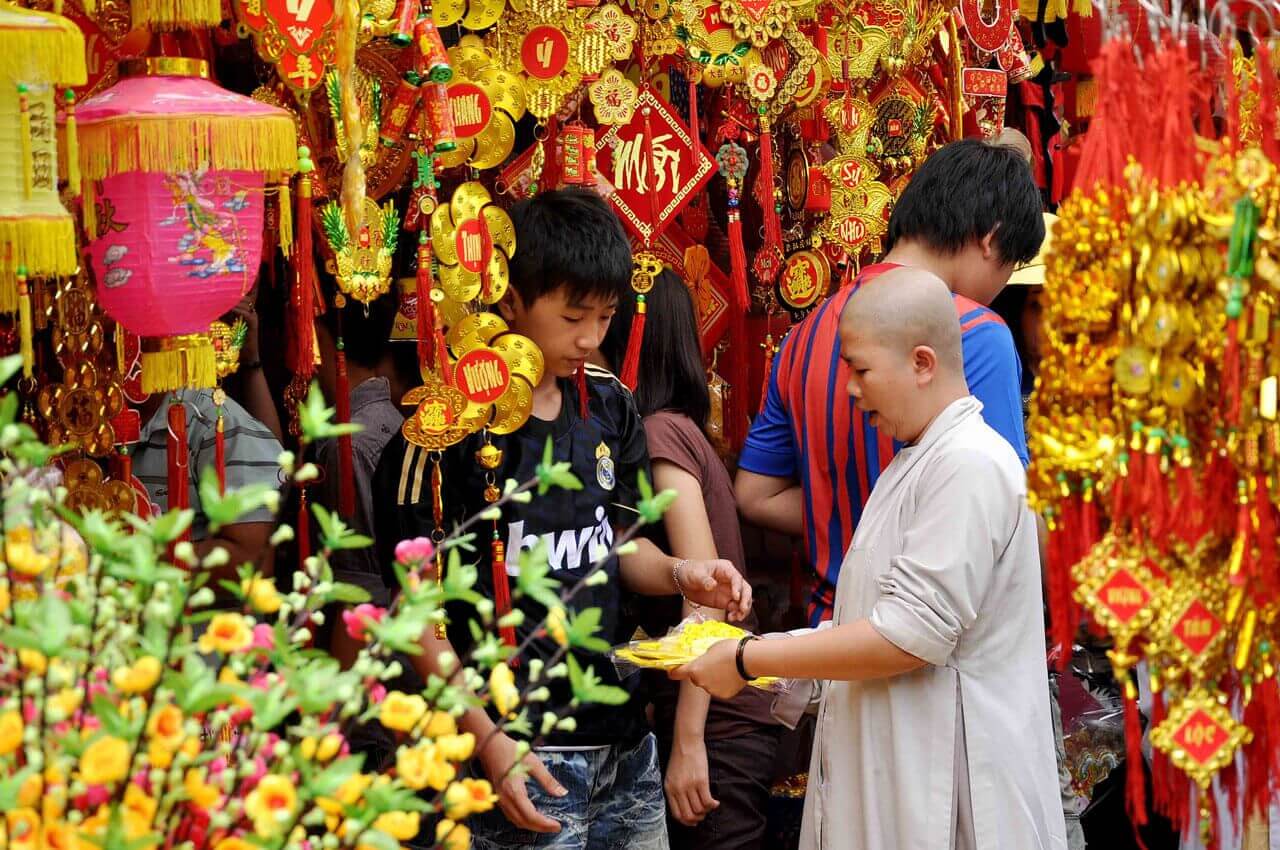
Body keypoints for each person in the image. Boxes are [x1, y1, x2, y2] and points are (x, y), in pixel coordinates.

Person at [372, 188, 751, 850]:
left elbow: (621, 546)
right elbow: (416, 618)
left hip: (622, 740)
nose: (590, 338)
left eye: (605, 317)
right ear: (510, 298)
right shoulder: (439, 432)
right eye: (574, 315)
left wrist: (685, 573)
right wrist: (489, 741)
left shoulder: (609, 403)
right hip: (518, 750)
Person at [672, 268, 1068, 850]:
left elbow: (909, 637)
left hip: (952, 793)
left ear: (922, 362)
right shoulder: (917, 459)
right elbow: (877, 614)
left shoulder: (970, 463)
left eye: (859, 370)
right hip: (898, 772)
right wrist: (767, 668)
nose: (851, 390)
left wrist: (748, 659)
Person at [736, 138, 1045, 626]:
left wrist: (839, 515)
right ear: (991, 238)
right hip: (931, 643)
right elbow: (1008, 511)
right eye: (1011, 267)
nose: (1002, 286)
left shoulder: (802, 337)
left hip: (829, 638)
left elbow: (755, 495)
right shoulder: (975, 333)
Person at [614, 270, 780, 849]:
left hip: (716, 723)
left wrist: (688, 743)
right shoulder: (681, 431)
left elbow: (701, 601)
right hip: (719, 712)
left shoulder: (659, 435)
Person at [312, 290, 406, 664]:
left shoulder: (348, 442)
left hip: (368, 644)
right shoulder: (397, 421)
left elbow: (361, 578)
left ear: (328, 344)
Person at [131, 387, 283, 591]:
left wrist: (124, 556)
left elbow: (252, 560)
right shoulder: (85, 422)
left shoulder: (217, 423)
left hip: (201, 618)